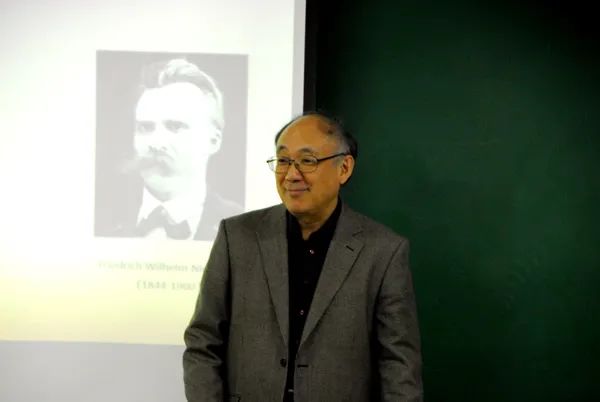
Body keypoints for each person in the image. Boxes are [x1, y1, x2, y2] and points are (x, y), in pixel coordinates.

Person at [183, 112, 423, 401]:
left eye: (307, 161)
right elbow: (203, 342)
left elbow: (398, 366)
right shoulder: (237, 237)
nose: (291, 175)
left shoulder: (383, 251)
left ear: (344, 168)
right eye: (283, 160)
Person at [114, 58, 242, 240]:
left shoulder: (241, 224)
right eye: (145, 127)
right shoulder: (101, 218)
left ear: (213, 140)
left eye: (175, 126)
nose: (156, 143)